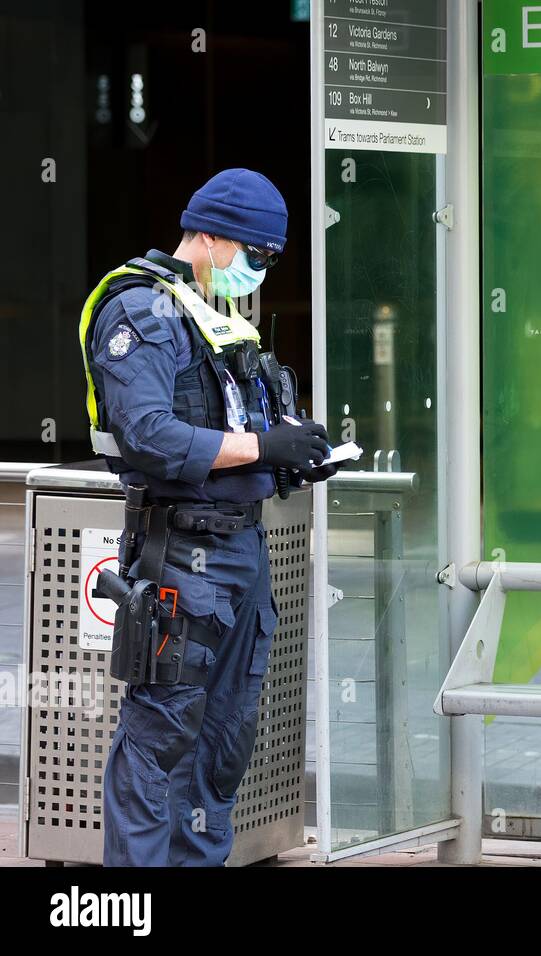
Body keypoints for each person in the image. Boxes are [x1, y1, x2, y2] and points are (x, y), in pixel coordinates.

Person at [79, 168, 336, 866]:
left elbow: (234, 425)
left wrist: (293, 451)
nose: (260, 269)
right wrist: (261, 445)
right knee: (161, 739)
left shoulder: (213, 318)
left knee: (224, 741)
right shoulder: (143, 312)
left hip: (239, 557)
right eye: (257, 254)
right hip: (181, 557)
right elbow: (150, 434)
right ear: (214, 236)